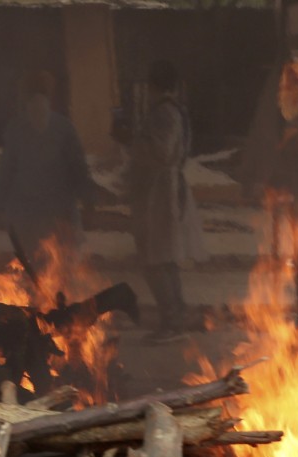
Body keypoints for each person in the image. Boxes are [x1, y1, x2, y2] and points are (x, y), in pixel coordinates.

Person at [127, 60, 208, 343]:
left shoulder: (165, 114)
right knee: (164, 258)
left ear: (153, 86)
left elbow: (161, 152)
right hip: (160, 192)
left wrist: (134, 142)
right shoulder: (171, 112)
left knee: (156, 259)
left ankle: (172, 321)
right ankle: (175, 317)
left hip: (160, 194)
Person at [0, 70, 93, 276]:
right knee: (62, 267)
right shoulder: (64, 127)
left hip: (28, 213)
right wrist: (87, 197)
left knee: (36, 267)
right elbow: (79, 168)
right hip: (59, 210)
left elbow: (6, 171)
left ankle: (40, 304)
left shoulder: (16, 128)